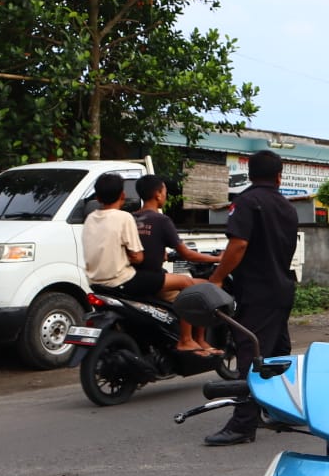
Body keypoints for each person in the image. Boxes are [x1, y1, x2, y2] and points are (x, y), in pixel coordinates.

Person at [202, 150, 298, 446]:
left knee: (251, 356)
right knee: (278, 353)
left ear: (249, 173)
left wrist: (216, 278)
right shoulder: (287, 206)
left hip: (257, 292)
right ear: (279, 175)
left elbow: (239, 244)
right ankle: (284, 411)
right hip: (283, 288)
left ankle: (244, 424)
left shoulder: (247, 202)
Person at [133, 174, 223, 355]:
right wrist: (218, 259)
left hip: (133, 277)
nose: (165, 195)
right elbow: (186, 254)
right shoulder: (162, 220)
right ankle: (191, 339)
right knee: (202, 289)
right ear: (158, 194)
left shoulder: (130, 218)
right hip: (154, 279)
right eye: (165, 191)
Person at [82, 172, 171, 299]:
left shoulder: (90, 218)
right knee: (185, 282)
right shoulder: (124, 217)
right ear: (123, 195)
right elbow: (138, 257)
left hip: (94, 283)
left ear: (97, 198)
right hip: (122, 281)